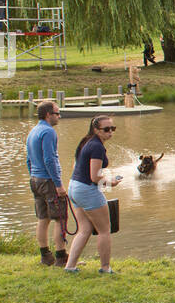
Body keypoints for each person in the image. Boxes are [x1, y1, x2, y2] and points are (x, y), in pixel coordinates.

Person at [64, 115, 120, 274]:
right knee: (104, 230)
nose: (110, 132)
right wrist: (111, 182)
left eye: (112, 129)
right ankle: (105, 268)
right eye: (106, 129)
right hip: (87, 190)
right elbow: (94, 177)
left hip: (74, 187)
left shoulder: (86, 141)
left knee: (85, 229)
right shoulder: (96, 146)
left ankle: (70, 266)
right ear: (96, 130)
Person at [26, 100, 69, 267]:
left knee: (43, 218)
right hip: (48, 180)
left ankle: (45, 256)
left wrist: (33, 177)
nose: (59, 116)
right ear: (48, 115)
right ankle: (61, 257)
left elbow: (29, 159)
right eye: (57, 113)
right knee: (60, 218)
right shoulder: (49, 132)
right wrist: (58, 184)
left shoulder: (32, 131)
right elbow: (49, 159)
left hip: (35, 180)